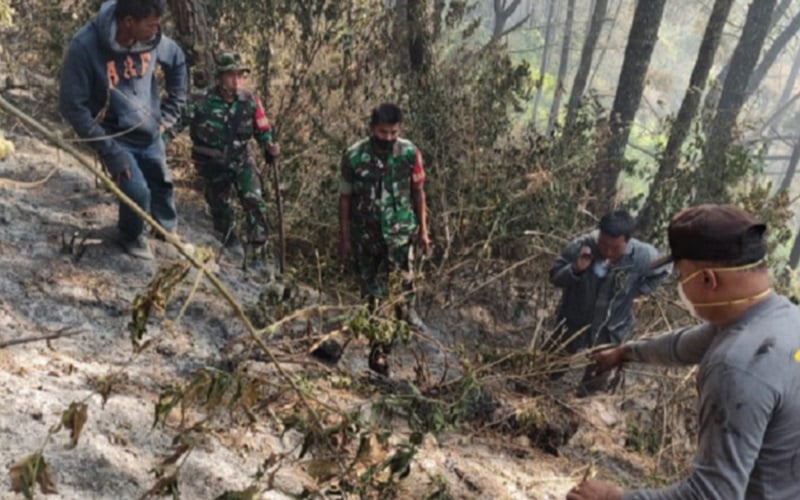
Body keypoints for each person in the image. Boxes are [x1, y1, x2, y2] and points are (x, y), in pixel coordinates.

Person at [567, 204, 800, 500]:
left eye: (681, 276)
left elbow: (711, 495)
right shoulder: (783, 320)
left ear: (706, 280)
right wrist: (624, 352)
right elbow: (682, 346)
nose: (680, 286)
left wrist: (616, 499)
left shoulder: (736, 366)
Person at [59, 0, 187, 260]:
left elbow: (177, 61)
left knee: (161, 183)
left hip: (149, 132)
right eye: (150, 25)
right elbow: (73, 106)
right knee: (136, 192)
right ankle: (130, 236)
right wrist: (107, 148)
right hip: (113, 137)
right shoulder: (85, 45)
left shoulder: (154, 40)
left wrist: (170, 114)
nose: (156, 30)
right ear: (129, 22)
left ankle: (166, 232)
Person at [338, 103, 430, 376]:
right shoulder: (354, 157)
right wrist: (344, 240)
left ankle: (389, 344)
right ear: (371, 129)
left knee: (402, 294)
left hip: (400, 237)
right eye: (382, 132)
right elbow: (345, 199)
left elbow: (419, 193)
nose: (388, 138)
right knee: (373, 297)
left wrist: (423, 231)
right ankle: (377, 355)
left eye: (393, 132)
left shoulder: (410, 154)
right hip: (366, 238)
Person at [549, 210, 669, 396]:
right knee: (548, 367)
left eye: (615, 248)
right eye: (603, 244)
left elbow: (665, 269)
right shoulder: (582, 245)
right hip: (572, 323)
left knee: (594, 385)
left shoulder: (642, 256)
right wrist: (576, 269)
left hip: (611, 330)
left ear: (627, 241)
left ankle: (582, 413)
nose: (607, 252)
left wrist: (640, 290)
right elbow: (555, 277)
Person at [184, 51, 280, 252]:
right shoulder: (200, 100)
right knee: (220, 208)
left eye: (240, 75)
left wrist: (269, 147)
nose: (236, 81)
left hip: (241, 160)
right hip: (213, 164)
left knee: (254, 200)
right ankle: (229, 243)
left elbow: (263, 132)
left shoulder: (250, 101)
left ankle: (257, 251)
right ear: (219, 77)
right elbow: (176, 122)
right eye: (230, 75)